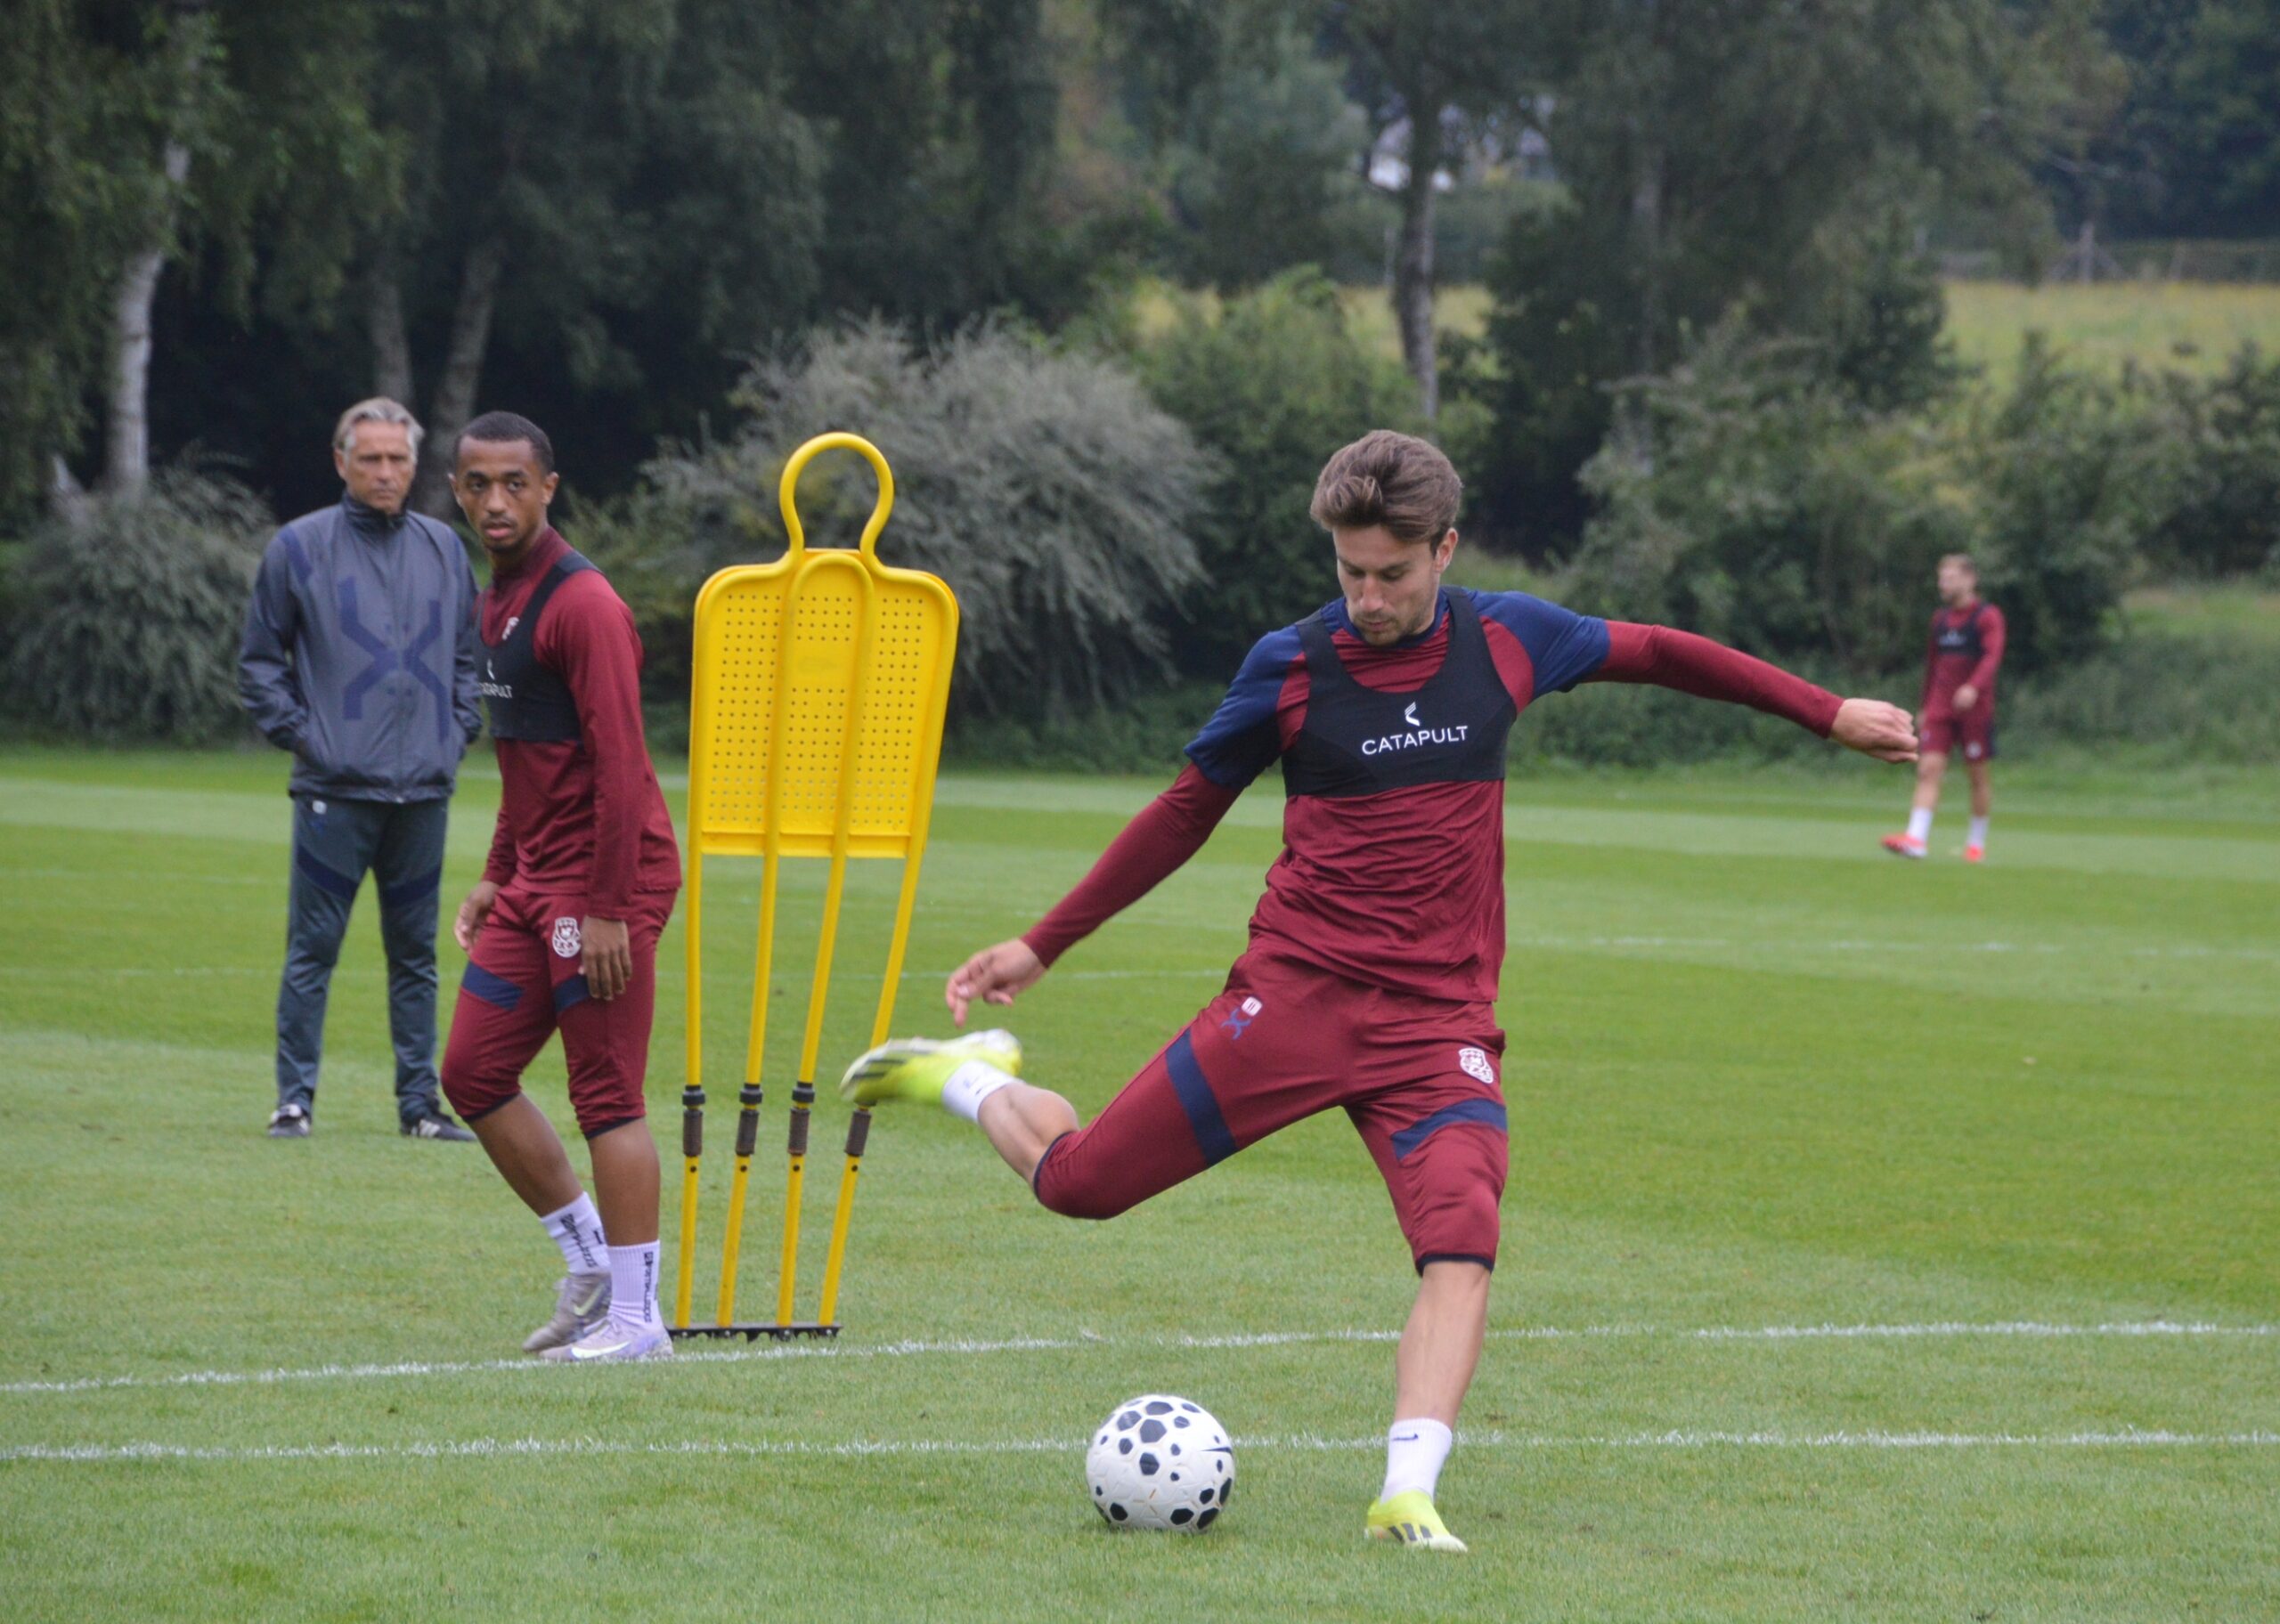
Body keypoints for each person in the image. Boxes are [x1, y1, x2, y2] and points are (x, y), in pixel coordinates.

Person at [843, 431, 1918, 1551]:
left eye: (1391, 573)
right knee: (1080, 1188)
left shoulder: (1508, 638)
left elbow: (1656, 650)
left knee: (1463, 1237)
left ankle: (1407, 1494)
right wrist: (1042, 945)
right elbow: (1183, 813)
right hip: (1292, 1003)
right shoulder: (1291, 665)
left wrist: (1825, 711)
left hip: (1436, 1029)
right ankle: (971, 1080)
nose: (1367, 597)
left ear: (1444, 549)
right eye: (1349, 571)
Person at [439, 410, 683, 1362]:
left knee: (606, 1096)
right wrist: (498, 874)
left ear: (548, 487)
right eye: (477, 484)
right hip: (537, 882)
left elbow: (621, 766)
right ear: (456, 491)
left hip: (604, 886)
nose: (495, 501)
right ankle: (590, 1264)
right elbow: (528, 763)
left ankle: (638, 1323)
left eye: (514, 482)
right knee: (471, 1072)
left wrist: (610, 907)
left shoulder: (584, 606)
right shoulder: (493, 601)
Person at [238, 397, 483, 1142]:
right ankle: (294, 1101)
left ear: (415, 465)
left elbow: (470, 657)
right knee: (312, 952)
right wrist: (305, 738)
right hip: (334, 795)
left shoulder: (446, 549)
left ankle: (420, 1108)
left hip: (422, 794)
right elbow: (259, 662)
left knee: (417, 957)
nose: (384, 471)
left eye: (397, 458)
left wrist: (456, 731)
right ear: (340, 461)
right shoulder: (298, 547)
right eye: (369, 458)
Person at [1883, 553, 2005, 863]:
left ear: (1970, 579)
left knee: (1977, 776)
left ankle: (1975, 844)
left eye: (1950, 578)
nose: (1943, 584)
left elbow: (1992, 657)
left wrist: (1973, 687)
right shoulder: (1940, 620)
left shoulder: (1987, 617)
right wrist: (1925, 705)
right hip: (1940, 708)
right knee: (1928, 769)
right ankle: (1916, 839)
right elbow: (1933, 665)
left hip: (1975, 710)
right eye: (1941, 579)